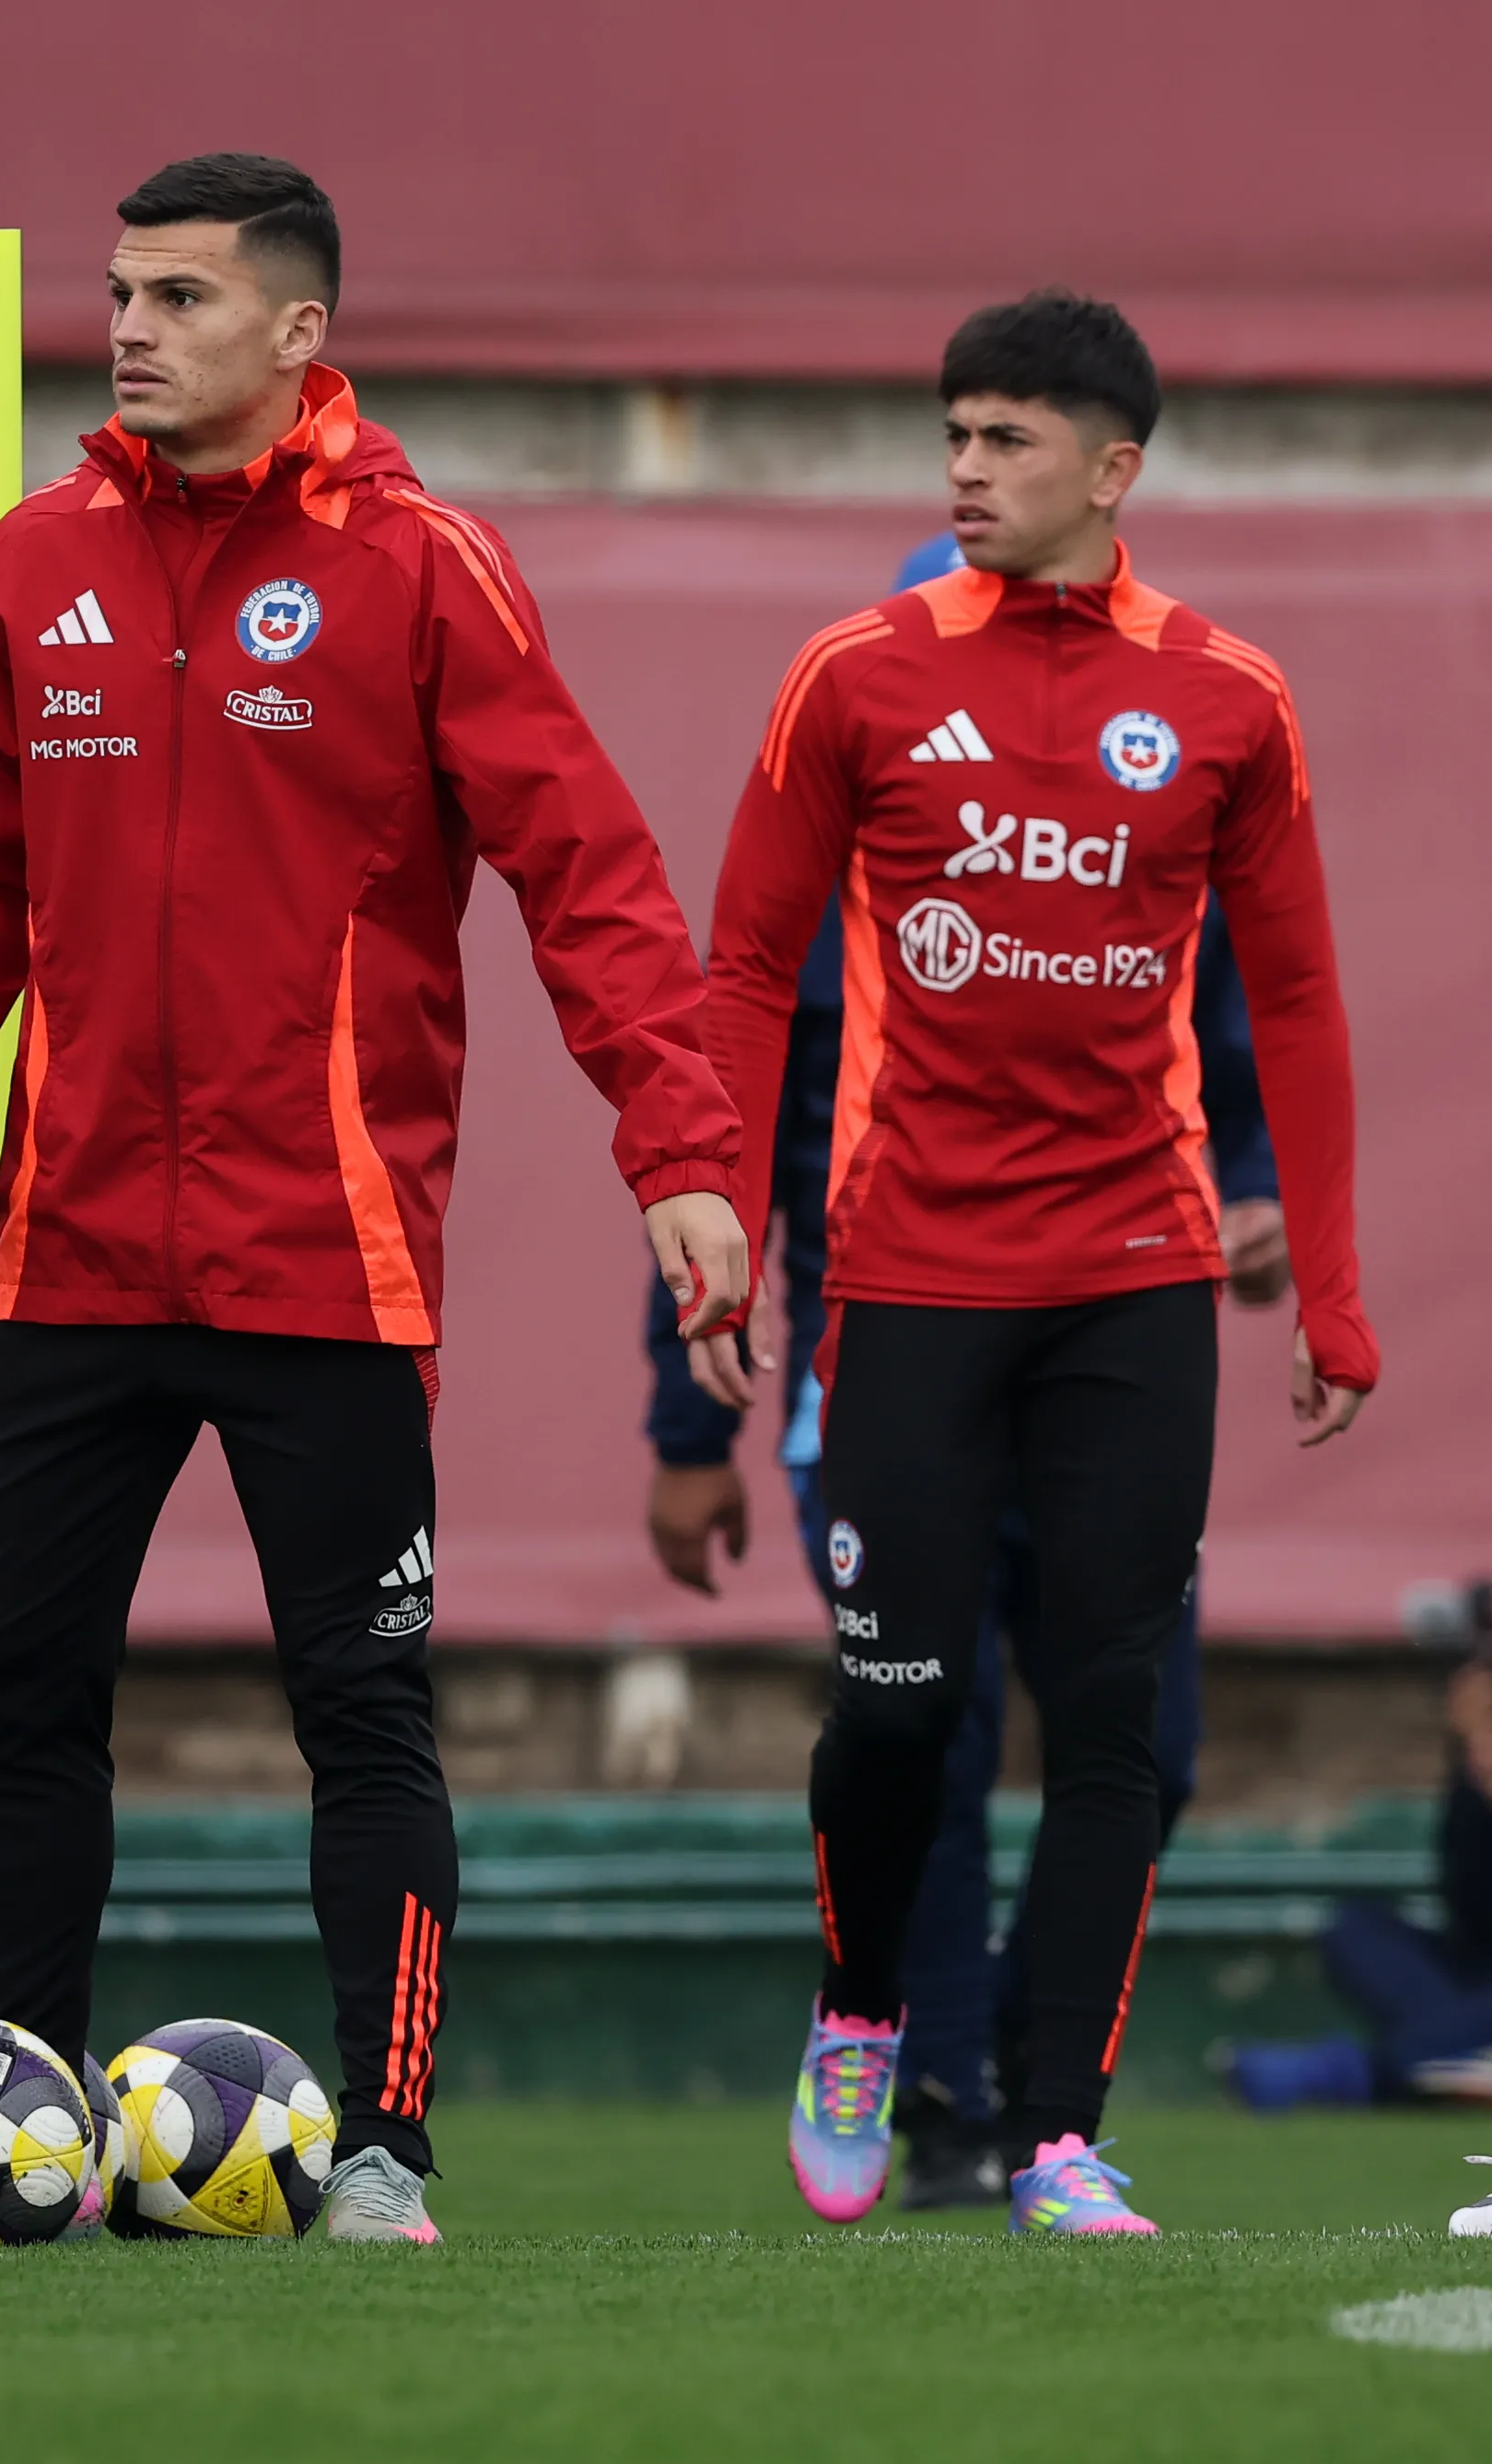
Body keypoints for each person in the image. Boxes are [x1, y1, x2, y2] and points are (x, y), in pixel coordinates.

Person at [0, 152, 751, 2248]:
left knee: (360, 1708)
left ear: (297, 332)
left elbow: (591, 880)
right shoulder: (32, 562)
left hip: (323, 1258)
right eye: (116, 291)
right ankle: (21, 2144)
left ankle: (386, 2149)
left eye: (177, 297)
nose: (127, 328)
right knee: (14, 1691)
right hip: (69, 1246)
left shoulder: (424, 569)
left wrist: (681, 1151)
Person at [705, 291, 1375, 2236]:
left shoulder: (1227, 697)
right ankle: (858, 2013)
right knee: (897, 1706)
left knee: (1110, 1723)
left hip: (1132, 1275)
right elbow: (739, 966)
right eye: (951, 434)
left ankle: (1055, 2132)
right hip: (906, 1276)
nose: (963, 470)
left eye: (1003, 440)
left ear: (1110, 469)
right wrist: (705, 1214)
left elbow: (1297, 1002)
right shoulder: (850, 674)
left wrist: (1329, 1287)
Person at [639, 531, 1288, 2208]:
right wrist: (686, 1421)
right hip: (888, 1352)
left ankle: (1017, 2074)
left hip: (1094, 1340)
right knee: (918, 1725)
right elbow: (720, 1145)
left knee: (1145, 1738)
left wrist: (1258, 1198)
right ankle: (930, 2080)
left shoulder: (1139, 852)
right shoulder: (834, 885)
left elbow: (1224, 1050)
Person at [1220, 1633, 1492, 2111]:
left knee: (1445, 2036)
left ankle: (1354, 2072)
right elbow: (1470, 1905)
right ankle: (1453, 2061)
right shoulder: (1471, 1767)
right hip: (1470, 1979)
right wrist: (1476, 1765)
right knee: (1357, 1928)